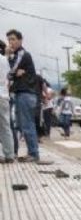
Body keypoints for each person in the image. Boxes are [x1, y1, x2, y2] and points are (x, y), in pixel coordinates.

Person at [7, 29, 47, 164]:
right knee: (21, 125)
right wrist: (13, 72)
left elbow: (9, 71)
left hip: (26, 93)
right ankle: (29, 152)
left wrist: (9, 61)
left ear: (20, 40)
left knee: (27, 124)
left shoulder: (23, 54)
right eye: (9, 40)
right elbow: (12, 72)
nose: (10, 42)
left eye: (13, 39)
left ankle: (34, 154)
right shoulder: (16, 55)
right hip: (20, 93)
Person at [0, 39, 13, 163]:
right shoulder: (5, 60)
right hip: (4, 96)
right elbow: (9, 79)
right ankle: (9, 155)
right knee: (5, 126)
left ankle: (0, 155)